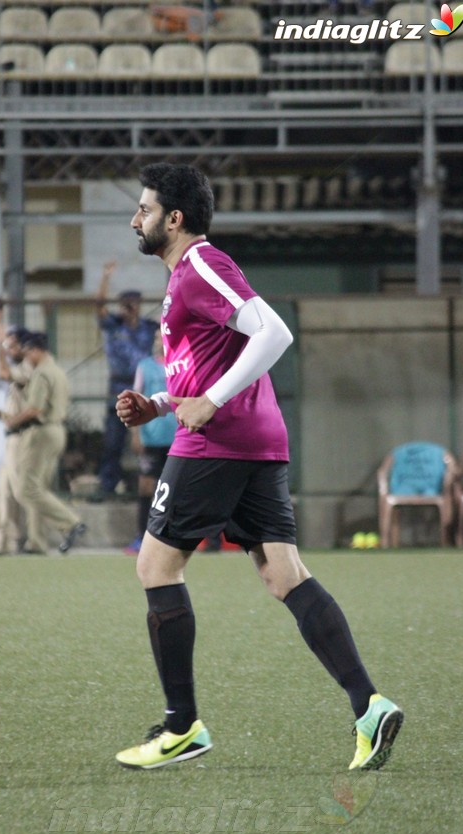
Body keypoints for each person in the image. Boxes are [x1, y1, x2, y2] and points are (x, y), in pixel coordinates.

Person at [114, 163, 404, 771]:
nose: (134, 218)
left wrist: (210, 404)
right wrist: (162, 403)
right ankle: (368, 706)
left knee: (155, 566)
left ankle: (182, 725)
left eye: (143, 209)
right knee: (283, 575)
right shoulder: (185, 280)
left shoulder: (200, 266)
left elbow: (274, 332)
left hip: (221, 441)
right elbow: (211, 363)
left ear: (174, 218)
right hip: (255, 438)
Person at [5, 331, 85, 555]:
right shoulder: (58, 371)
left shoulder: (41, 373)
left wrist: (12, 422)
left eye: (28, 352)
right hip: (57, 431)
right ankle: (37, 542)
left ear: (34, 350)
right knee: (39, 489)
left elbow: (34, 409)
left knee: (25, 489)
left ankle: (71, 523)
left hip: (41, 432)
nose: (27, 357)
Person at [91, 261, 159, 501]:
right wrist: (105, 278)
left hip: (144, 387)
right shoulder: (113, 326)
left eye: (134, 304)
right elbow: (99, 307)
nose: (131, 308)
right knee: (113, 440)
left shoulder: (149, 328)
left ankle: (150, 487)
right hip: (119, 387)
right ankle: (108, 485)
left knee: (149, 441)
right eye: (127, 304)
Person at [0, 325, 32, 556]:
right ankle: (3, 544)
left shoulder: (28, 368)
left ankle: (33, 542)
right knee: (5, 492)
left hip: (23, 440)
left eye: (10, 345)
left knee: (23, 493)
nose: (7, 350)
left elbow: (1, 373)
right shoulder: (22, 369)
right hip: (13, 439)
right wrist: (0, 414)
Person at [125, 330, 177, 554]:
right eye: (155, 337)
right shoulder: (144, 366)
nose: (159, 341)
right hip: (152, 437)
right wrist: (135, 434)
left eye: (162, 337)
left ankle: (176, 539)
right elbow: (135, 400)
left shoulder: (181, 363)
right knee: (146, 486)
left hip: (179, 436)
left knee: (178, 487)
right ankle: (142, 536)